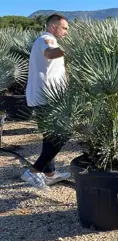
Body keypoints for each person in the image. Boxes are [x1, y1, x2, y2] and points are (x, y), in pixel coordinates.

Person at [20, 14, 71, 190]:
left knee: (49, 137)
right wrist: (73, 50)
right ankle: (34, 171)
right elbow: (49, 53)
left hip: (49, 96)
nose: (66, 32)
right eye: (64, 28)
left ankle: (50, 174)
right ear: (52, 27)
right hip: (47, 97)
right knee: (61, 134)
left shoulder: (51, 40)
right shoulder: (46, 39)